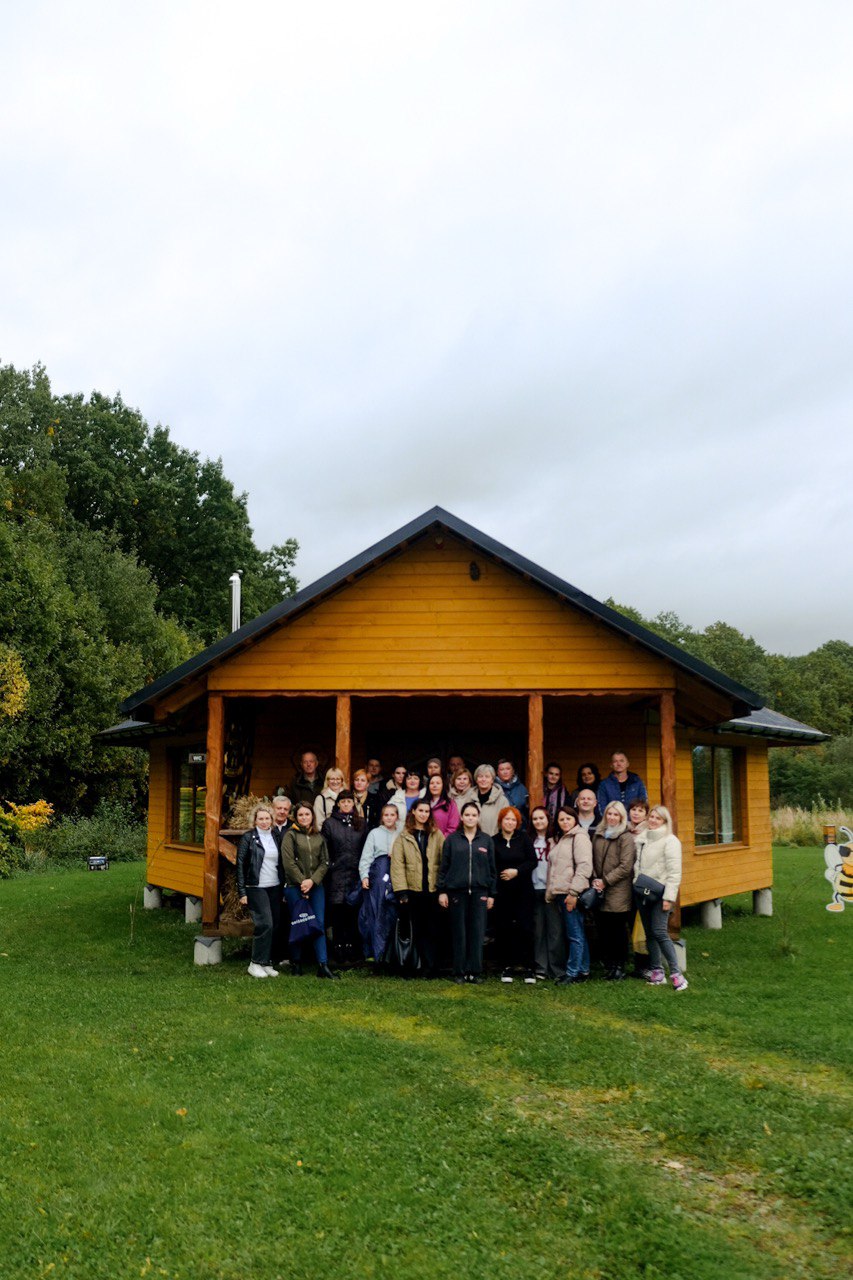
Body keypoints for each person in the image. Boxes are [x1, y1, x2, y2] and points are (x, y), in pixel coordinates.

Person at [438, 801, 497, 983]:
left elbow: (492, 869)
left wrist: (492, 894)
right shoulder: (452, 840)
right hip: (457, 892)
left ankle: (475, 972)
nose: (470, 818)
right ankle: (459, 972)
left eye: (474, 815)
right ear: (462, 818)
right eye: (467, 815)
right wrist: (442, 891)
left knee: (477, 933)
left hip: (480, 892)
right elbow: (444, 867)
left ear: (478, 817)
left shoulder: (486, 840)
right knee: (459, 933)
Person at [633, 805, 688, 991]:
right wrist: (636, 883)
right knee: (649, 933)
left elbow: (674, 872)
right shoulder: (642, 839)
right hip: (642, 892)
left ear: (665, 821)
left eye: (658, 818)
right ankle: (657, 971)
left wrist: (668, 898)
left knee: (660, 932)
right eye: (651, 817)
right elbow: (638, 865)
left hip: (661, 894)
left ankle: (676, 974)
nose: (653, 820)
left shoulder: (670, 841)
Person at [390, 799, 445, 978]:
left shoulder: (436, 834)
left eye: (427, 811)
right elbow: (397, 865)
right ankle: (412, 967)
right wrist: (402, 892)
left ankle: (431, 967)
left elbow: (444, 861)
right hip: (412, 891)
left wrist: (442, 887)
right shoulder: (404, 836)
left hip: (432, 890)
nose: (423, 814)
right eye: (420, 810)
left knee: (432, 930)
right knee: (414, 930)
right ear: (413, 811)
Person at [281, 803, 336, 978]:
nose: (304, 817)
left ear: (312, 816)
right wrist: (302, 882)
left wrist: (312, 881)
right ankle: (296, 963)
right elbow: (288, 863)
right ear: (296, 817)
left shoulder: (319, 836)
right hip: (294, 887)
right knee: (298, 922)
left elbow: (325, 862)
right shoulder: (290, 835)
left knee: (318, 924)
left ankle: (323, 965)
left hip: (316, 886)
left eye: (307, 814)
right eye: (301, 815)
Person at [545, 805, 592, 985]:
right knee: (576, 932)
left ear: (575, 819)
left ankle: (572, 972)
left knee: (574, 934)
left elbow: (584, 866)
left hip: (571, 893)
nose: (565, 822)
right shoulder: (561, 839)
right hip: (560, 892)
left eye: (568, 818)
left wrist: (573, 893)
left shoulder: (579, 837)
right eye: (561, 819)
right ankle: (583, 969)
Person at [236, 804, 283, 978]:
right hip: (256, 887)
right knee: (265, 924)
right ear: (255, 820)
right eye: (260, 818)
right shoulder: (248, 838)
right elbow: (240, 865)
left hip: (275, 886)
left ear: (272, 819)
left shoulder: (276, 836)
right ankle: (255, 963)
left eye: (267, 818)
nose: (264, 822)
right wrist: (242, 892)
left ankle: (266, 962)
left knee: (274, 925)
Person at [591, 801, 636, 980]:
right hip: (600, 888)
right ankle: (609, 965)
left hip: (619, 890)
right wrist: (596, 879)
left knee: (617, 930)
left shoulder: (625, 837)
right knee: (604, 929)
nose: (612, 817)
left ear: (621, 817)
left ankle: (619, 966)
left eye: (615, 814)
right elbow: (592, 858)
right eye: (609, 814)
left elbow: (626, 866)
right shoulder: (599, 834)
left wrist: (605, 881)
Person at [321, 790, 367, 965]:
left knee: (353, 914)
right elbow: (325, 850)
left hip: (355, 874)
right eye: (343, 801)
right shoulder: (329, 823)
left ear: (353, 804)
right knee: (337, 915)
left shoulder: (361, 823)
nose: (346, 804)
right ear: (338, 804)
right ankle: (338, 951)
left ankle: (353, 951)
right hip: (336, 875)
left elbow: (365, 849)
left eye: (349, 801)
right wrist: (331, 867)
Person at [493, 806, 536, 983]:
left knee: (526, 928)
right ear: (501, 821)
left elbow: (532, 861)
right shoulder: (494, 841)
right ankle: (507, 967)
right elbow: (491, 866)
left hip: (523, 891)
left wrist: (516, 871)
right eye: (507, 819)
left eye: (513, 820)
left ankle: (529, 967)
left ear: (517, 823)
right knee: (504, 929)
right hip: (503, 892)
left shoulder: (524, 838)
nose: (510, 822)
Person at [357, 802, 401, 966]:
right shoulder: (374, 833)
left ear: (397, 817)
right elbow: (366, 857)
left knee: (392, 913)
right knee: (376, 913)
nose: (389, 818)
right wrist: (364, 876)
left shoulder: (401, 833)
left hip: (396, 875)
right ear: (382, 817)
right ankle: (376, 953)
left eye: (392, 815)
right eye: (386, 815)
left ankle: (392, 954)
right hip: (378, 877)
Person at [530, 805, 562, 979]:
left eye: (541, 818)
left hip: (551, 890)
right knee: (538, 931)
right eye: (535, 819)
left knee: (555, 931)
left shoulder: (556, 839)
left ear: (548, 819)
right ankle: (541, 968)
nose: (538, 821)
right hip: (534, 889)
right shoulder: (529, 840)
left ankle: (556, 968)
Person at [472, 764, 508, 837]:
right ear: (476, 780)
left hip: (493, 840)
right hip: (471, 841)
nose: (483, 779)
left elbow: (505, 824)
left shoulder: (502, 801)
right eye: (480, 776)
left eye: (487, 776)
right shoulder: (469, 797)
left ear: (492, 780)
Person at [496, 759, 529, 824]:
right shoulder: (494, 788)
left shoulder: (522, 788)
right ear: (497, 773)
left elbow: (527, 810)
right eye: (502, 769)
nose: (505, 772)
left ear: (513, 771)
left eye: (508, 769)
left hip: (520, 825)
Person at [314, 766, 346, 831]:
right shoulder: (320, 799)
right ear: (327, 781)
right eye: (332, 779)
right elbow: (318, 824)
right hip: (328, 835)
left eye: (338, 779)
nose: (335, 782)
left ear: (342, 781)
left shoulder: (349, 797)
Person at [542, 762, 569, 828]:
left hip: (558, 825)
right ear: (546, 774)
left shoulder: (563, 791)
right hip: (541, 822)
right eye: (551, 773)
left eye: (556, 775)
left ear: (559, 777)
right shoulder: (539, 789)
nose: (553, 777)